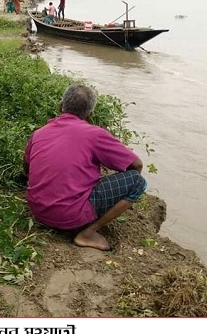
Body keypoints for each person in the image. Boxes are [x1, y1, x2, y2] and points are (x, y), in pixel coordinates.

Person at [24, 84, 147, 251]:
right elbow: (137, 165)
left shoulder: (39, 133)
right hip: (70, 218)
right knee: (138, 182)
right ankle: (87, 233)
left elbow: (27, 168)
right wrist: (122, 195)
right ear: (91, 114)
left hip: (38, 212)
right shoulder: (94, 134)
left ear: (60, 106)